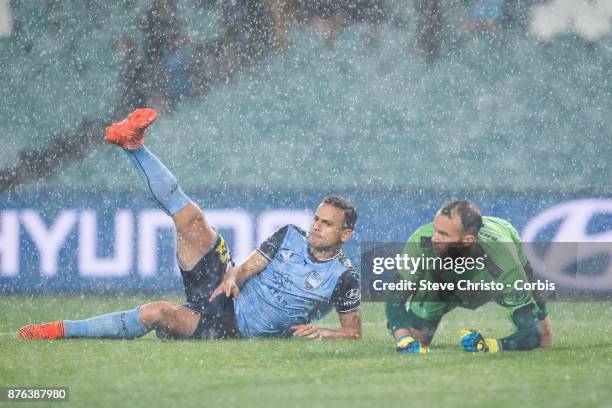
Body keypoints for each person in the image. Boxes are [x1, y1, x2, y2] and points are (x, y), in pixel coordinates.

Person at [19, 108, 361, 341]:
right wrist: (232, 275)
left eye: (327, 224)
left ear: (344, 234)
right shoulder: (289, 234)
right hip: (226, 291)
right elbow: (247, 268)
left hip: (228, 328)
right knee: (193, 221)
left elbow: (354, 331)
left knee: (157, 313)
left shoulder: (344, 276)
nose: (316, 226)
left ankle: (56, 330)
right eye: (316, 218)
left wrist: (323, 332)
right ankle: (133, 145)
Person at [385, 200, 553, 353]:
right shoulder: (421, 241)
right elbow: (394, 298)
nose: (434, 238)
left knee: (543, 338)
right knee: (415, 339)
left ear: (468, 239)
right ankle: (408, 319)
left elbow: (531, 334)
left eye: (443, 234)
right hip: (441, 284)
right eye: (435, 230)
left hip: (489, 278)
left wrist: (488, 345)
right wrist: (405, 339)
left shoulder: (504, 262)